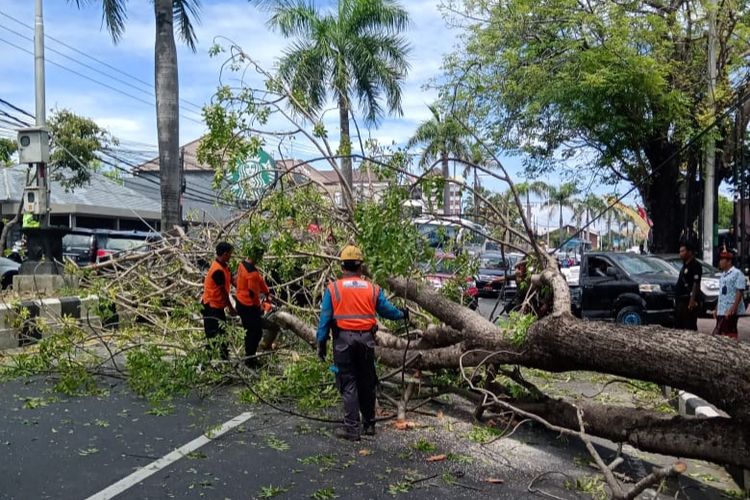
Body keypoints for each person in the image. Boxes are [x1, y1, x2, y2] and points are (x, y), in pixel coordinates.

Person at [316, 245, 406, 441]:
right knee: (367, 381)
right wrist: (403, 314)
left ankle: (351, 429)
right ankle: (369, 425)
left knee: (348, 383)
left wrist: (321, 343)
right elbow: (388, 311)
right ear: (360, 267)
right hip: (366, 341)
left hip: (343, 342)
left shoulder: (333, 289)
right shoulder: (372, 289)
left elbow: (324, 319)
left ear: (342, 267)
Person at [235, 247, 272, 368]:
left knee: (250, 332)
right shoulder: (252, 274)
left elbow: (260, 280)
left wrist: (267, 292)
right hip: (248, 306)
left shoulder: (242, 265)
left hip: (240, 302)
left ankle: (250, 356)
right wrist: (260, 307)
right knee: (255, 333)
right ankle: (250, 359)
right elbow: (252, 294)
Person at [201, 242, 235, 360]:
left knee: (222, 334)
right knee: (212, 336)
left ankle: (225, 360)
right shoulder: (217, 270)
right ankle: (206, 363)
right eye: (230, 254)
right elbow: (224, 293)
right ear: (225, 254)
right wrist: (231, 308)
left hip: (218, 307)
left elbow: (232, 280)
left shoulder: (225, 267)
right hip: (211, 307)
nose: (231, 256)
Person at [714, 249, 745, 339]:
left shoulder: (737, 273)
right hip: (722, 308)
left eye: (722, 260)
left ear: (729, 261)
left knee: (729, 332)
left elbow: (740, 291)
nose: (720, 262)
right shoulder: (722, 275)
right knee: (720, 332)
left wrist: (733, 308)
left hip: (730, 309)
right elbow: (721, 293)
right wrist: (716, 308)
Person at [674, 242, 702, 330]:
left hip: (688, 301)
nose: (680, 254)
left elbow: (696, 283)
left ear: (689, 252)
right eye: (680, 251)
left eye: (683, 251)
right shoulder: (684, 265)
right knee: (679, 325)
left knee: (689, 325)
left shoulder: (695, 265)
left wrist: (692, 300)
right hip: (680, 300)